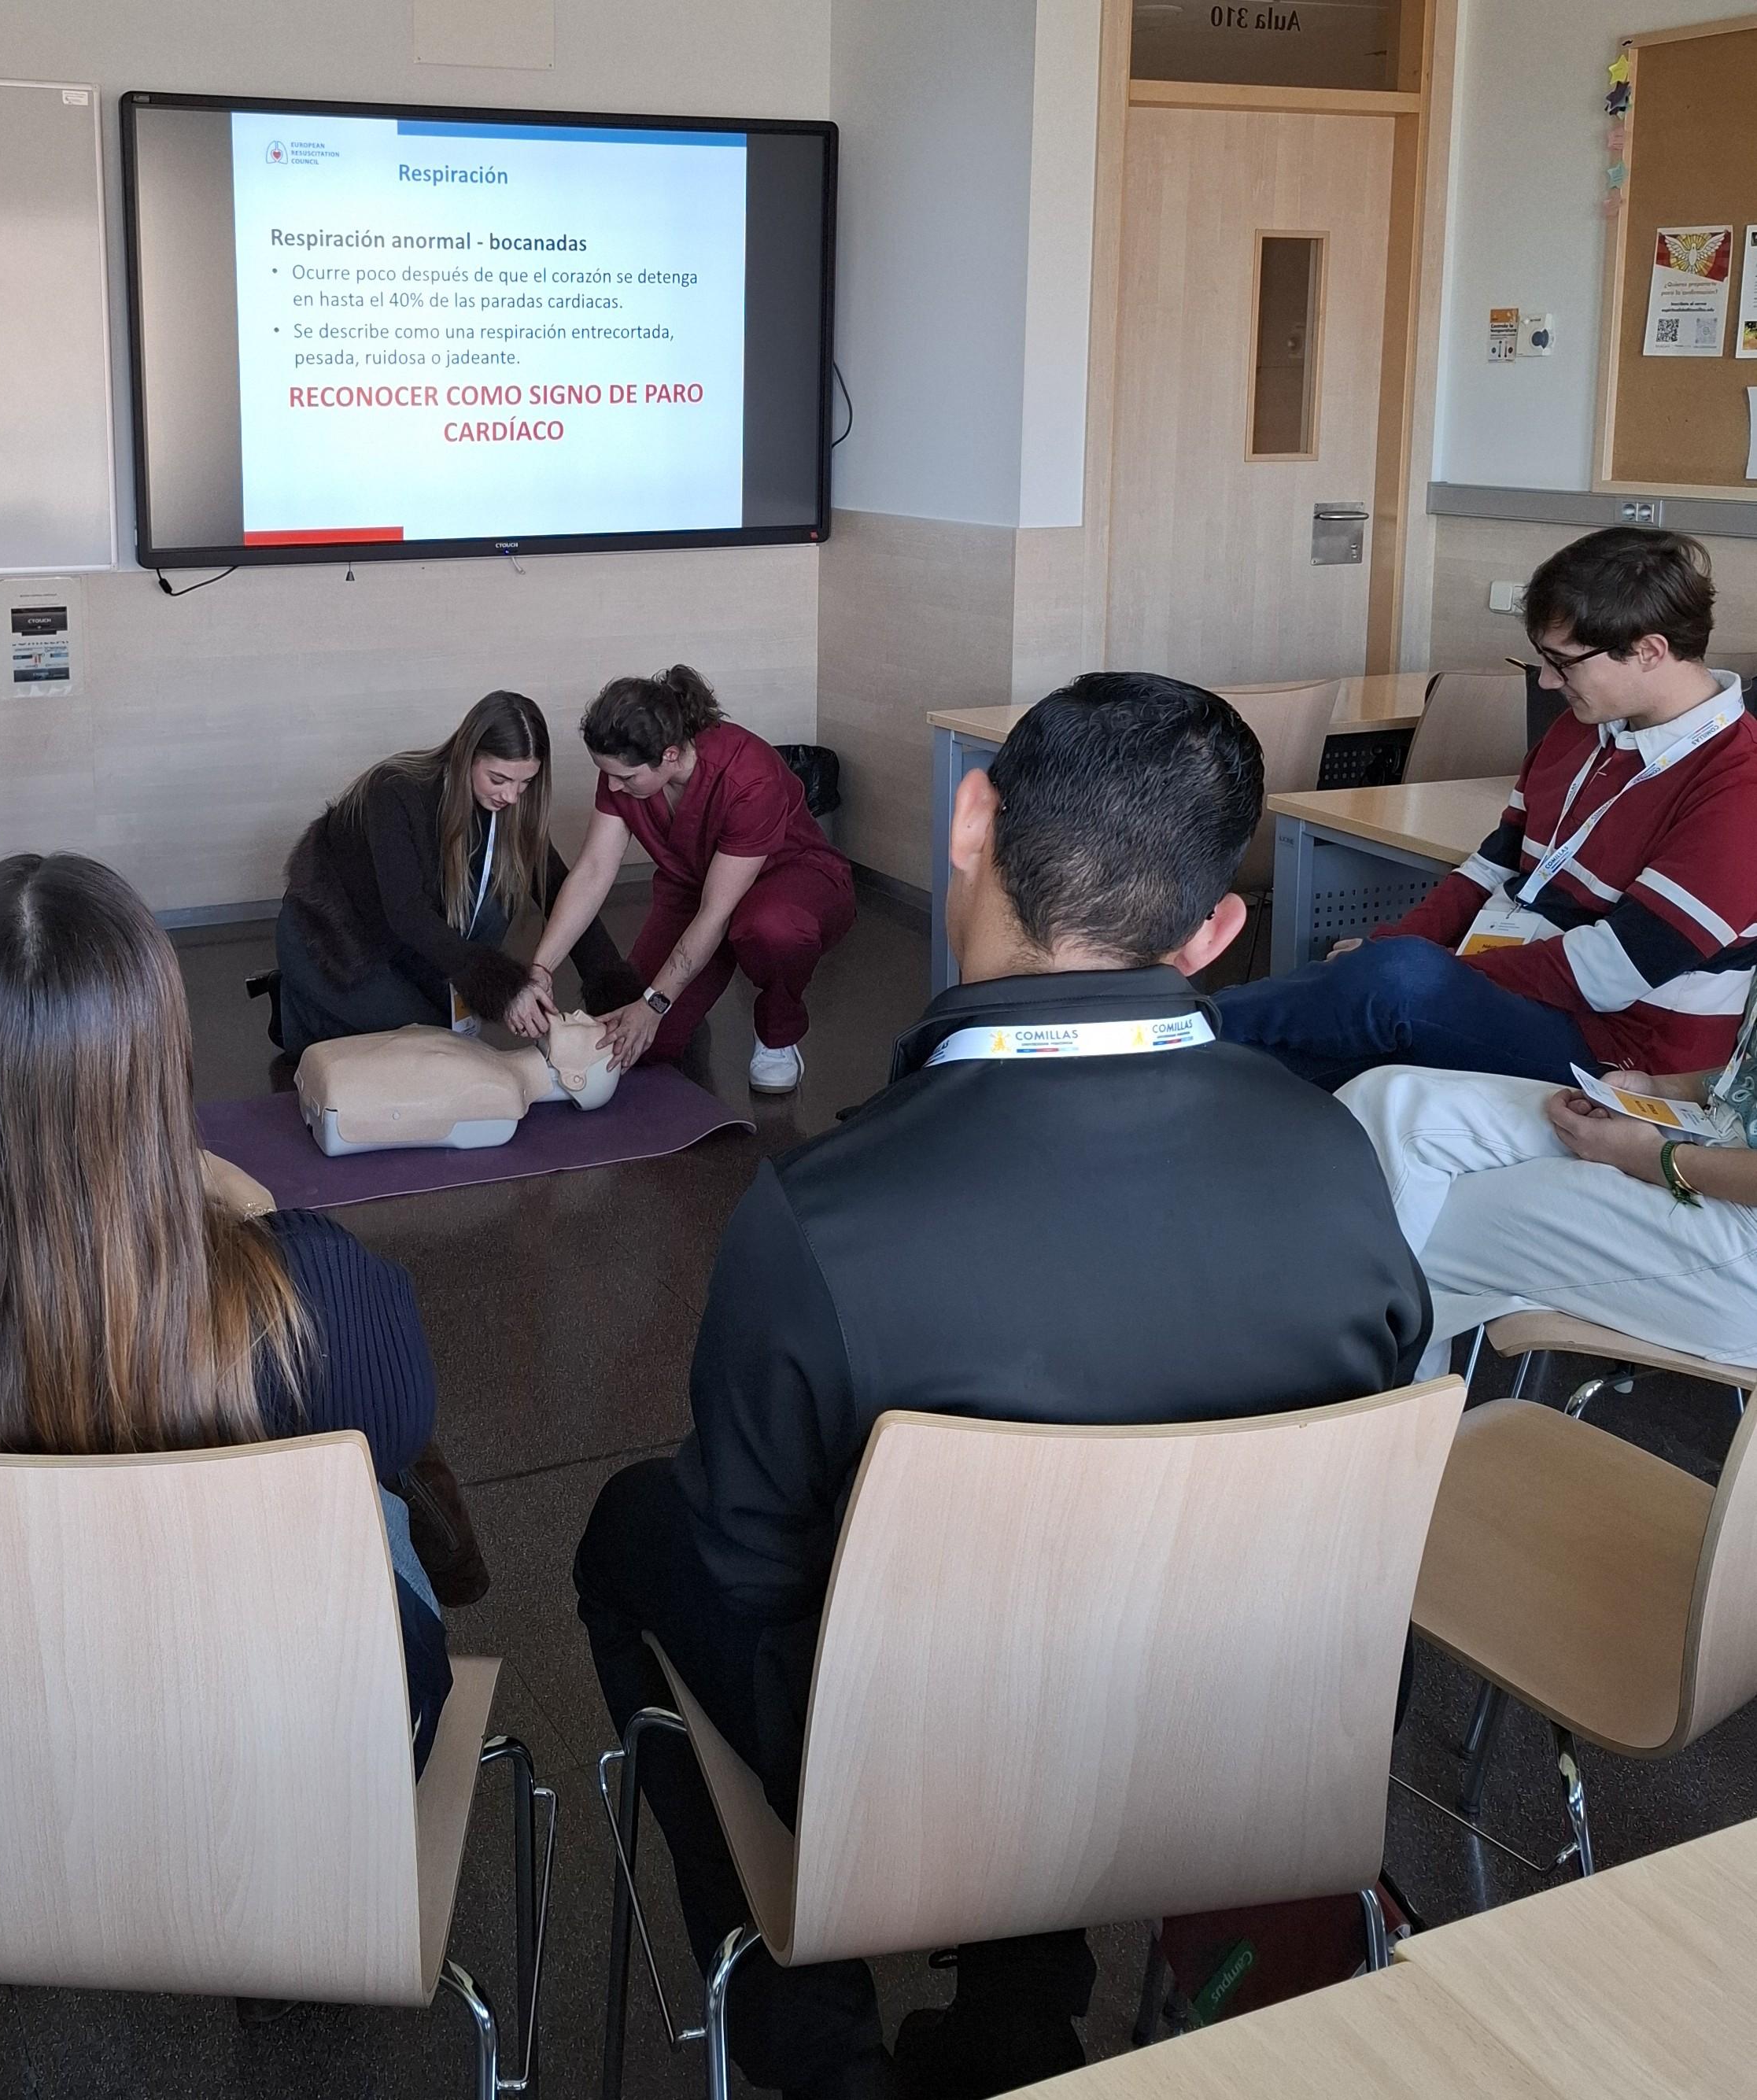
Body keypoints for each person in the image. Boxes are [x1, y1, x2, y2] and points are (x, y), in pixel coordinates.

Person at [573, 674, 1430, 2100]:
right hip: (1253, 1758)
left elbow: (751, 1570)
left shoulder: (825, 1214)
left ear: (970, 820)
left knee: (635, 1532)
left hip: (923, 1784)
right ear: (1217, 930)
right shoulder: (1341, 1160)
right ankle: (1017, 2013)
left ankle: (818, 2034)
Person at [0, 852, 457, 1767]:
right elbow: (392, 1422)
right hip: (285, 1805)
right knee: (367, 1499)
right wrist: (148, 1156)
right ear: (159, 1076)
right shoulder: (316, 1306)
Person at [1214, 529, 1757, 1091]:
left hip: (1620, 1049)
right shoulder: (1581, 729)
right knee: (1310, 1037)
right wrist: (1394, 947)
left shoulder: (1739, 784)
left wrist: (1430, 965)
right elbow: (1491, 868)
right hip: (1514, 990)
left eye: (1562, 663)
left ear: (1649, 651)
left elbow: (1609, 973)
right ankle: (1184, 1051)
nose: (1546, 681)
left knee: (1393, 982)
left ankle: (1183, 1026)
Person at [1342, 974, 1757, 1367]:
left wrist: (1656, 1158)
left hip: (1742, 1236)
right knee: (1386, 1101)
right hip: (1712, 1133)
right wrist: (1660, 1091)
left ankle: (1334, 1417)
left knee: (1405, 1219)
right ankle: (1363, 1418)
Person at [526, 664, 853, 1094]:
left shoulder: (748, 774)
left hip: (791, 881)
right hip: (694, 890)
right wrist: (539, 967)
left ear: (671, 755)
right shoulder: (624, 775)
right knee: (636, 1044)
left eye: (626, 777)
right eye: (606, 774)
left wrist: (656, 1002)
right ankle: (690, 1007)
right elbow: (592, 873)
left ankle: (778, 1032)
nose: (614, 787)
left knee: (769, 930)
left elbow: (716, 914)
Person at [273, 688, 640, 1060]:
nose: (512, 796)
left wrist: (615, 993)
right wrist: (502, 987)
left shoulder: (509, 808)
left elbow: (559, 889)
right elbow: (407, 911)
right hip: (332, 943)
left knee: (451, 1041)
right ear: (467, 756)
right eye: (498, 779)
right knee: (434, 1050)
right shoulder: (394, 791)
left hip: (406, 944)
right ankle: (300, 1000)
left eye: (525, 782)